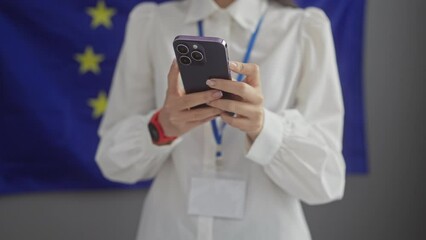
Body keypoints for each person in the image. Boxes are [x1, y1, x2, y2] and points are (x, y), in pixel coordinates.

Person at [95, 0, 346, 239]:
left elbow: (327, 181)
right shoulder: (153, 23)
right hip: (171, 229)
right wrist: (162, 126)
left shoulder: (303, 29)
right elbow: (112, 161)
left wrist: (264, 129)